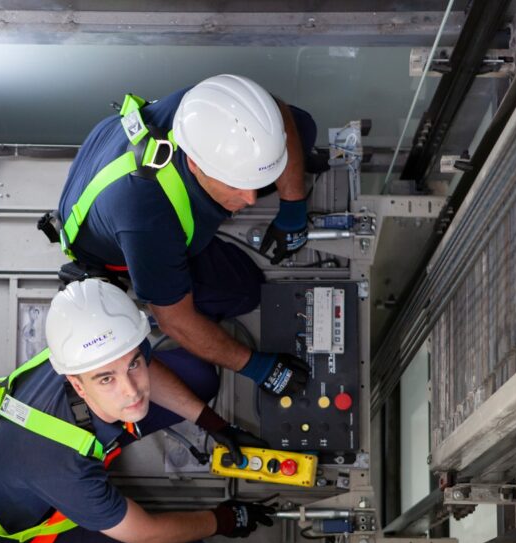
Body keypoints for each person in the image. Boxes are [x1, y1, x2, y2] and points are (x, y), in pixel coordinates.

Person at [0, 279, 275, 543]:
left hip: (43, 450)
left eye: (132, 364)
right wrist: (224, 519)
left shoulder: (82, 348)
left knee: (199, 379)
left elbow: (128, 368)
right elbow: (144, 533)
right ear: (77, 385)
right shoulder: (63, 471)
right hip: (41, 520)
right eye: (107, 379)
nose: (131, 390)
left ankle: (111, 407)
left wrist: (214, 423)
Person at [48, 74, 320, 398]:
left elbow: (275, 111)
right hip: (114, 233)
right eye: (235, 184)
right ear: (193, 163)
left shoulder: (210, 106)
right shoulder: (149, 223)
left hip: (107, 163)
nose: (250, 199)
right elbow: (176, 322)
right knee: (243, 291)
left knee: (300, 130)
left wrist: (293, 207)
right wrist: (259, 367)